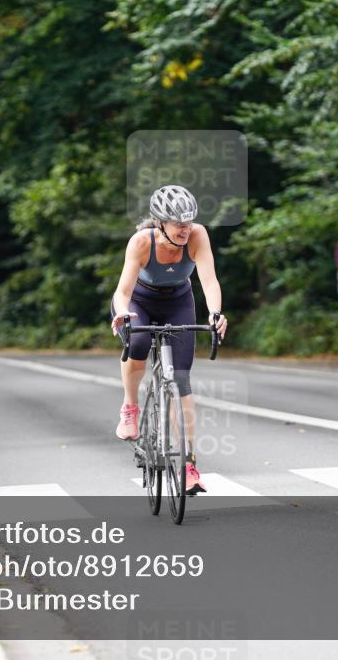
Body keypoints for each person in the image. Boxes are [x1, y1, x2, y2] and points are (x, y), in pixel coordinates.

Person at [110, 185, 228, 495]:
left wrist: (215, 314)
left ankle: (188, 465)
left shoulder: (198, 236)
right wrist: (122, 314)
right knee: (136, 345)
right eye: (178, 223)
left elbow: (209, 280)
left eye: (189, 222)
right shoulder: (141, 242)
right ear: (160, 221)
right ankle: (130, 406)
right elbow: (122, 292)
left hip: (178, 300)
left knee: (181, 379)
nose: (185, 229)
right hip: (139, 301)